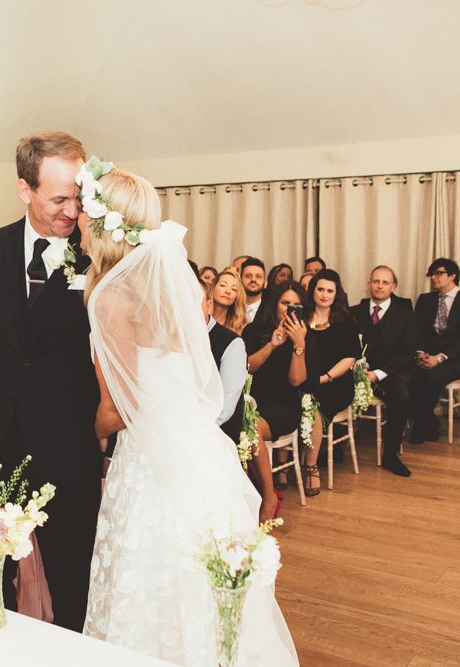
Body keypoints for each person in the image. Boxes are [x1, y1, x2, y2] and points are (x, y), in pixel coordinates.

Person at [77, 161, 298, 666]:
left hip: (150, 457)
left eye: (87, 211)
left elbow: (116, 409)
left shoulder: (109, 294)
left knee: (154, 569)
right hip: (197, 450)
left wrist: (88, 431)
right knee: (200, 575)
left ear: (103, 221)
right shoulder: (173, 290)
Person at [0, 131, 101, 631]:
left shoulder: (98, 251)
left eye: (78, 196)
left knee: (71, 573)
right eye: (59, 198)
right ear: (24, 191)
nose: (71, 210)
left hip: (67, 440)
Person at [202, 283, 277, 523]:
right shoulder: (176, 338)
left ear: (208, 305)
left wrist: (195, 430)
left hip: (218, 426)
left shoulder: (231, 343)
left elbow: (225, 406)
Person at [243, 281, 318, 489]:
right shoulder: (254, 330)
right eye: (285, 303)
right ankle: (243, 487)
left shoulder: (307, 338)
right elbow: (247, 367)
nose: (289, 309)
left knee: (252, 428)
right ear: (275, 304)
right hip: (254, 401)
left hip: (285, 405)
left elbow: (296, 380)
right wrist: (272, 346)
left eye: (296, 305)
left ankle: (268, 495)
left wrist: (299, 345)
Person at [351, 266, 416, 476]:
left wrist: (377, 374)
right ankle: (331, 449)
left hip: (388, 375)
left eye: (385, 282)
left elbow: (407, 354)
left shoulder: (405, 316)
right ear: (369, 284)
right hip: (353, 372)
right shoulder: (354, 312)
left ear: (393, 286)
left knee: (401, 394)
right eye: (376, 281)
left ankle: (390, 454)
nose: (379, 286)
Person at [410, 258, 460, 443]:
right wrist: (420, 353)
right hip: (425, 356)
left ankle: (421, 425)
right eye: (431, 274)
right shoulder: (425, 300)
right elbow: (416, 331)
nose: (433, 278)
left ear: (452, 275)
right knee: (407, 373)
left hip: (453, 361)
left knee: (430, 377)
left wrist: (439, 358)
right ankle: (430, 423)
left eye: (438, 273)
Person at [303, 269, 360, 495]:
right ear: (313, 291)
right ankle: (283, 463)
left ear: (337, 294)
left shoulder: (345, 321)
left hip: (334, 383)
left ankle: (311, 467)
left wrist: (324, 378)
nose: (324, 295)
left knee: (313, 408)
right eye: (320, 289)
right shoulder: (301, 317)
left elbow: (350, 357)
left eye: (329, 290)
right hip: (303, 379)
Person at [211, 267, 249, 335]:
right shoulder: (199, 317)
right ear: (213, 287)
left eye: (234, 289)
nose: (228, 291)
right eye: (223, 285)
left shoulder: (241, 328)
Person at [240, 256, 267, 323]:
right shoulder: (230, 309)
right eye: (248, 276)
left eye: (258, 276)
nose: (253, 280)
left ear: (265, 283)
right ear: (240, 280)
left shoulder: (271, 312)